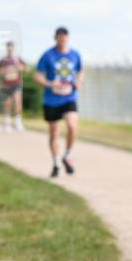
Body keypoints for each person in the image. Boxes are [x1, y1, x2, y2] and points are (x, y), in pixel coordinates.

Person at [34, 27, 83, 177]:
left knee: (72, 126)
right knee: (54, 131)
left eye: (65, 38)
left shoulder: (75, 55)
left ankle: (67, 155)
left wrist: (77, 83)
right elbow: (37, 76)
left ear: (68, 38)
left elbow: (81, 72)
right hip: (51, 99)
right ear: (55, 38)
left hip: (69, 97)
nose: (62, 40)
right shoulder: (48, 55)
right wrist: (50, 84)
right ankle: (56, 162)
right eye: (60, 38)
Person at [0, 41, 27, 132]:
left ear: (13, 48)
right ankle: (7, 123)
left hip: (16, 83)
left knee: (18, 102)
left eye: (11, 47)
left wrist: (19, 68)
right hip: (6, 84)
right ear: (6, 48)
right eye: (8, 47)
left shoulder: (18, 59)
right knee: (7, 103)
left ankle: (18, 122)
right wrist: (4, 70)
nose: (9, 49)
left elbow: (26, 68)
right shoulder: (3, 60)